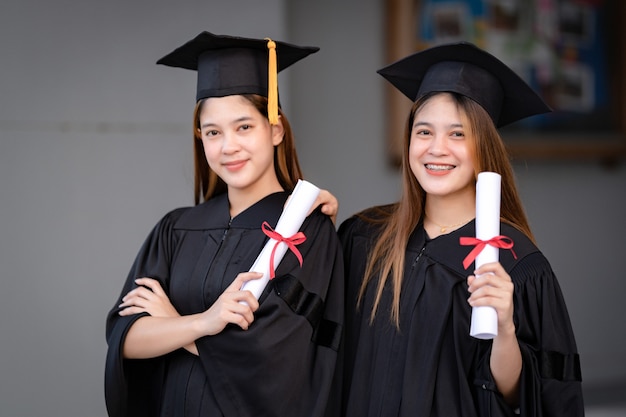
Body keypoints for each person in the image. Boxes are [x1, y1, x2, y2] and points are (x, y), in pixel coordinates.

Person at [337, 42, 583, 416]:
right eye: (423, 132)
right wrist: (314, 226)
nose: (437, 149)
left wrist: (504, 327)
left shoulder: (518, 264)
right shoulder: (363, 237)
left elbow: (525, 396)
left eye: (457, 134)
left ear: (483, 146)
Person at [104, 32, 343, 417]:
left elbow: (278, 358)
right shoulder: (177, 229)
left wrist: (172, 324)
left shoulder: (304, 232)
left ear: (275, 130)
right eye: (213, 132)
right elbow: (125, 338)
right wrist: (203, 323)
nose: (227, 146)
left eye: (244, 127)